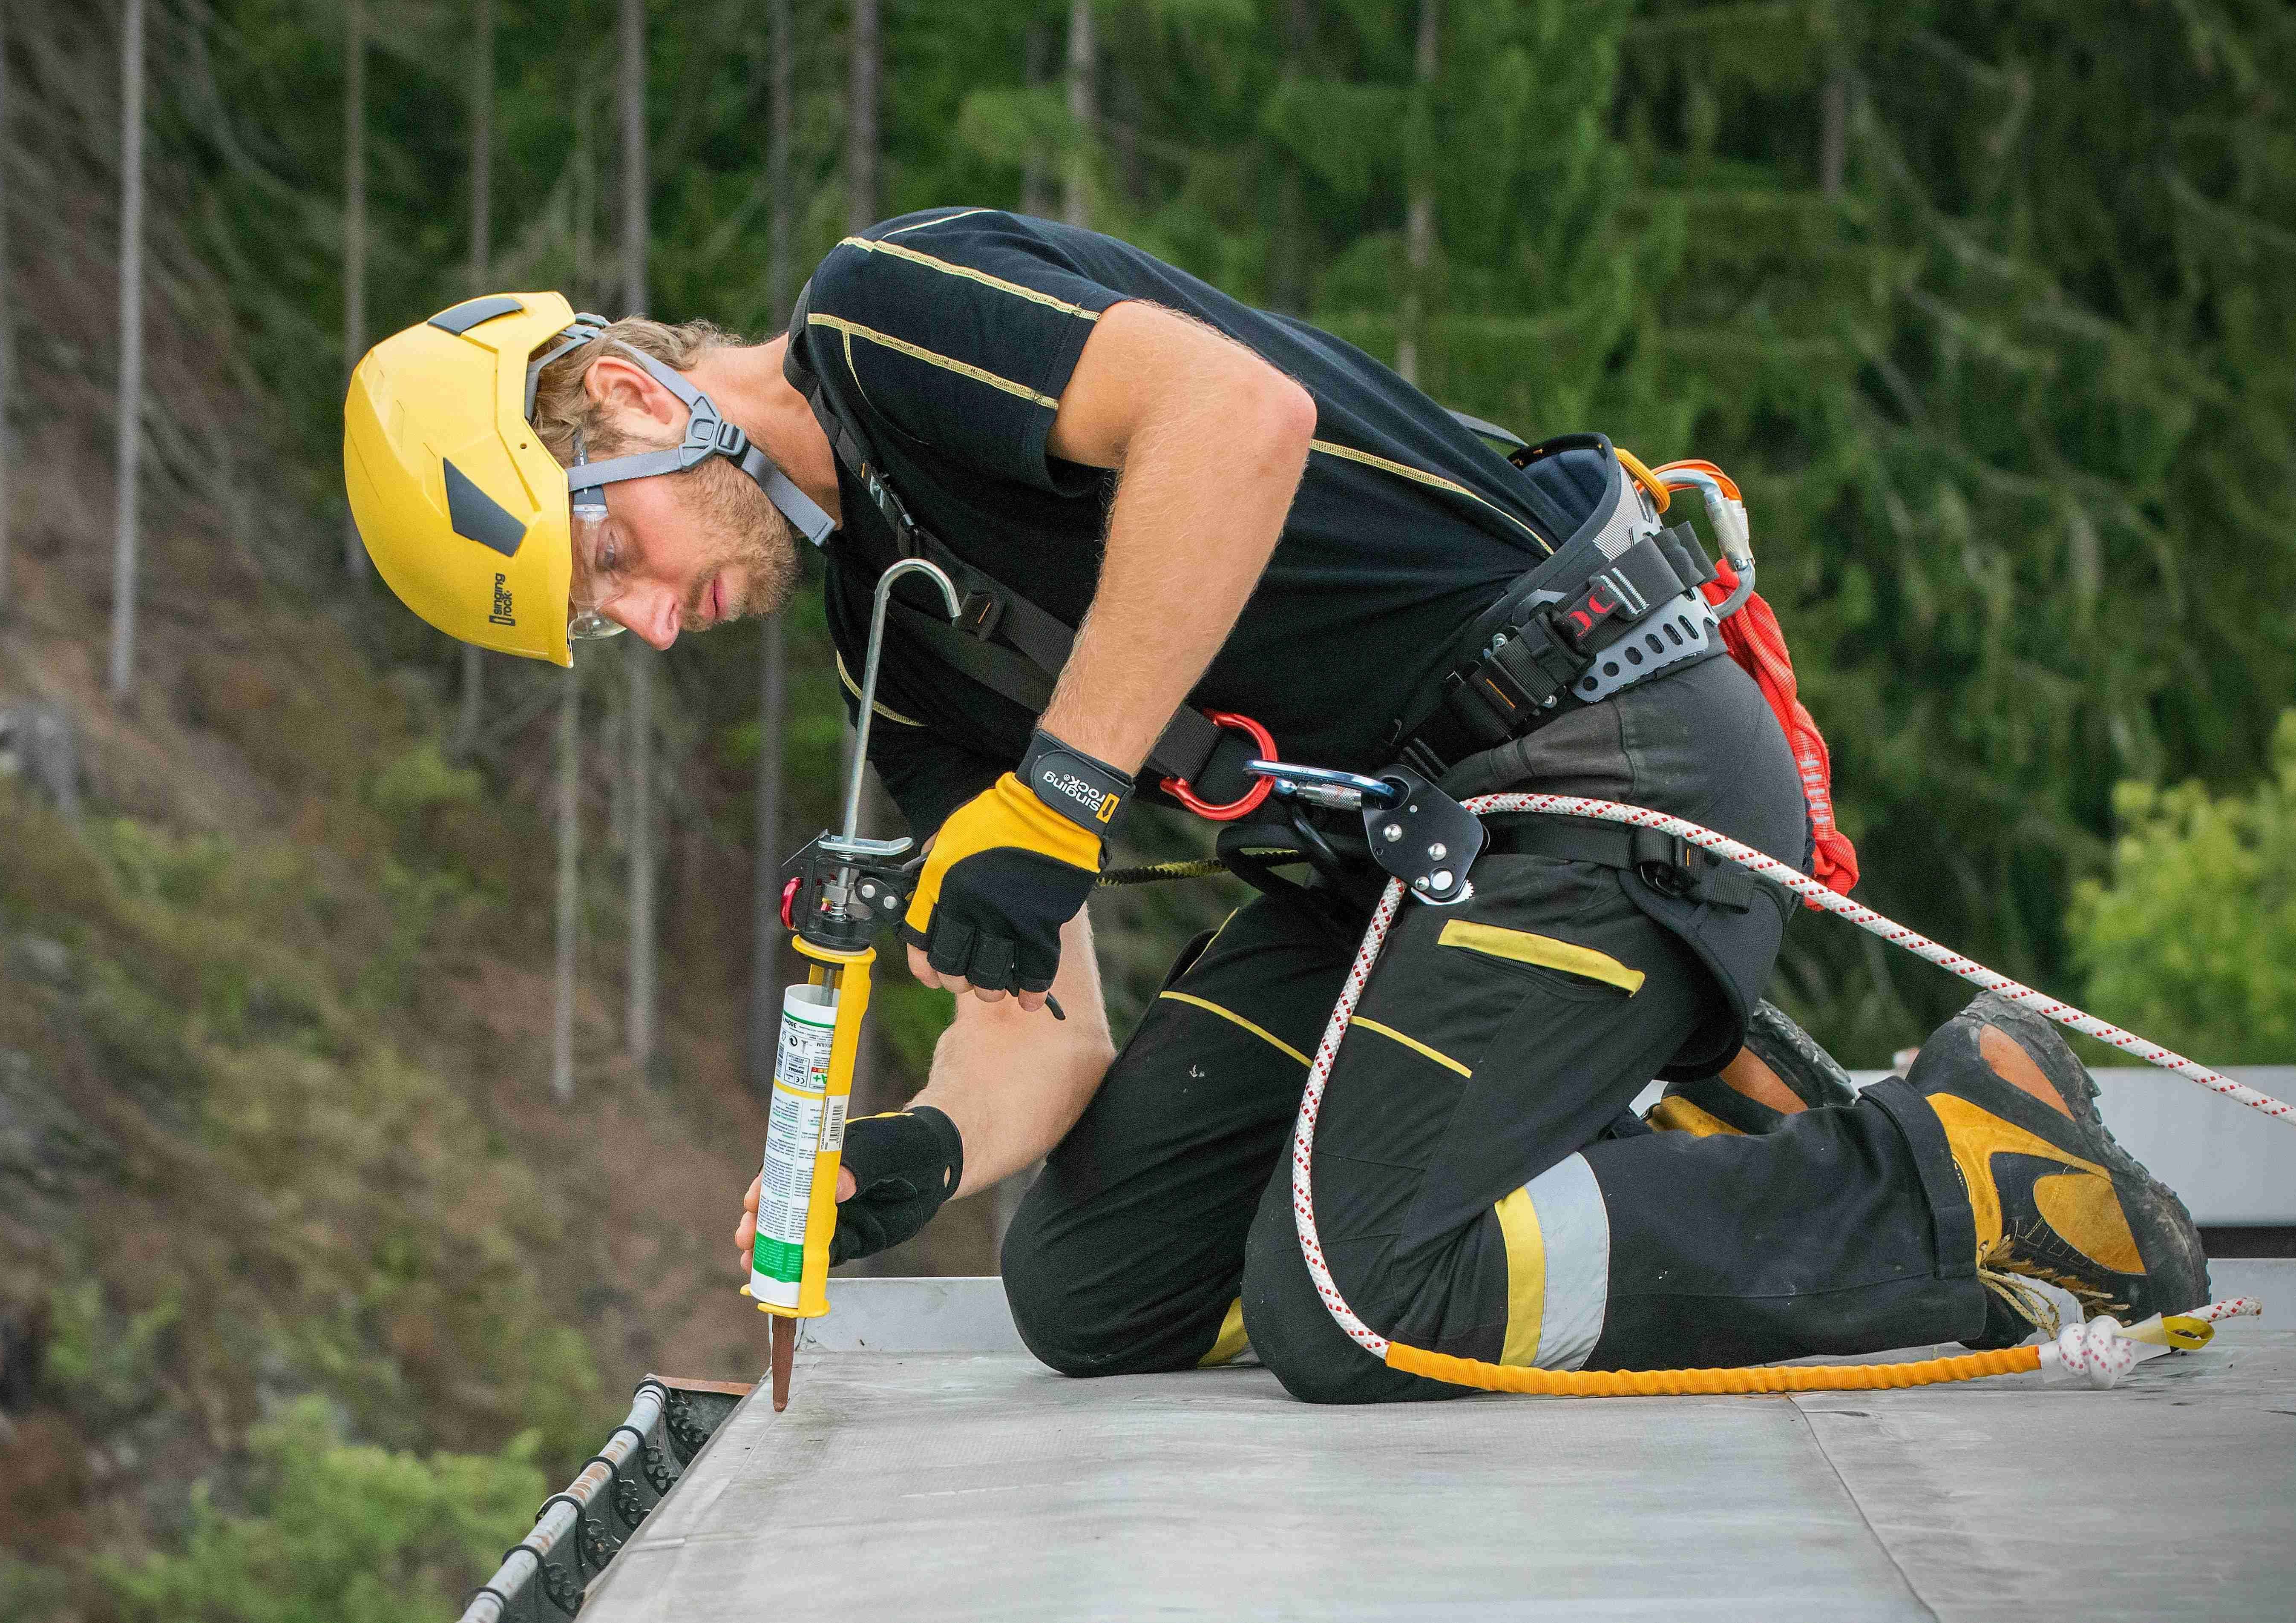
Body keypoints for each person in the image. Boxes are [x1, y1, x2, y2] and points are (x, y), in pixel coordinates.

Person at [342, 208, 2206, 1402]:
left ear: (617, 393)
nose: (653, 622)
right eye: (608, 627)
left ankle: (1953, 1169)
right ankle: (1615, 1103)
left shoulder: (884, 319)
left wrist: (1062, 786)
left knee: (1350, 1287)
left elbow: (1231, 424)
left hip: (1593, 756)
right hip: (1397, 868)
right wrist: (909, 1159)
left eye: (615, 557)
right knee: (1085, 1285)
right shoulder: (894, 644)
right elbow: (1039, 1018)